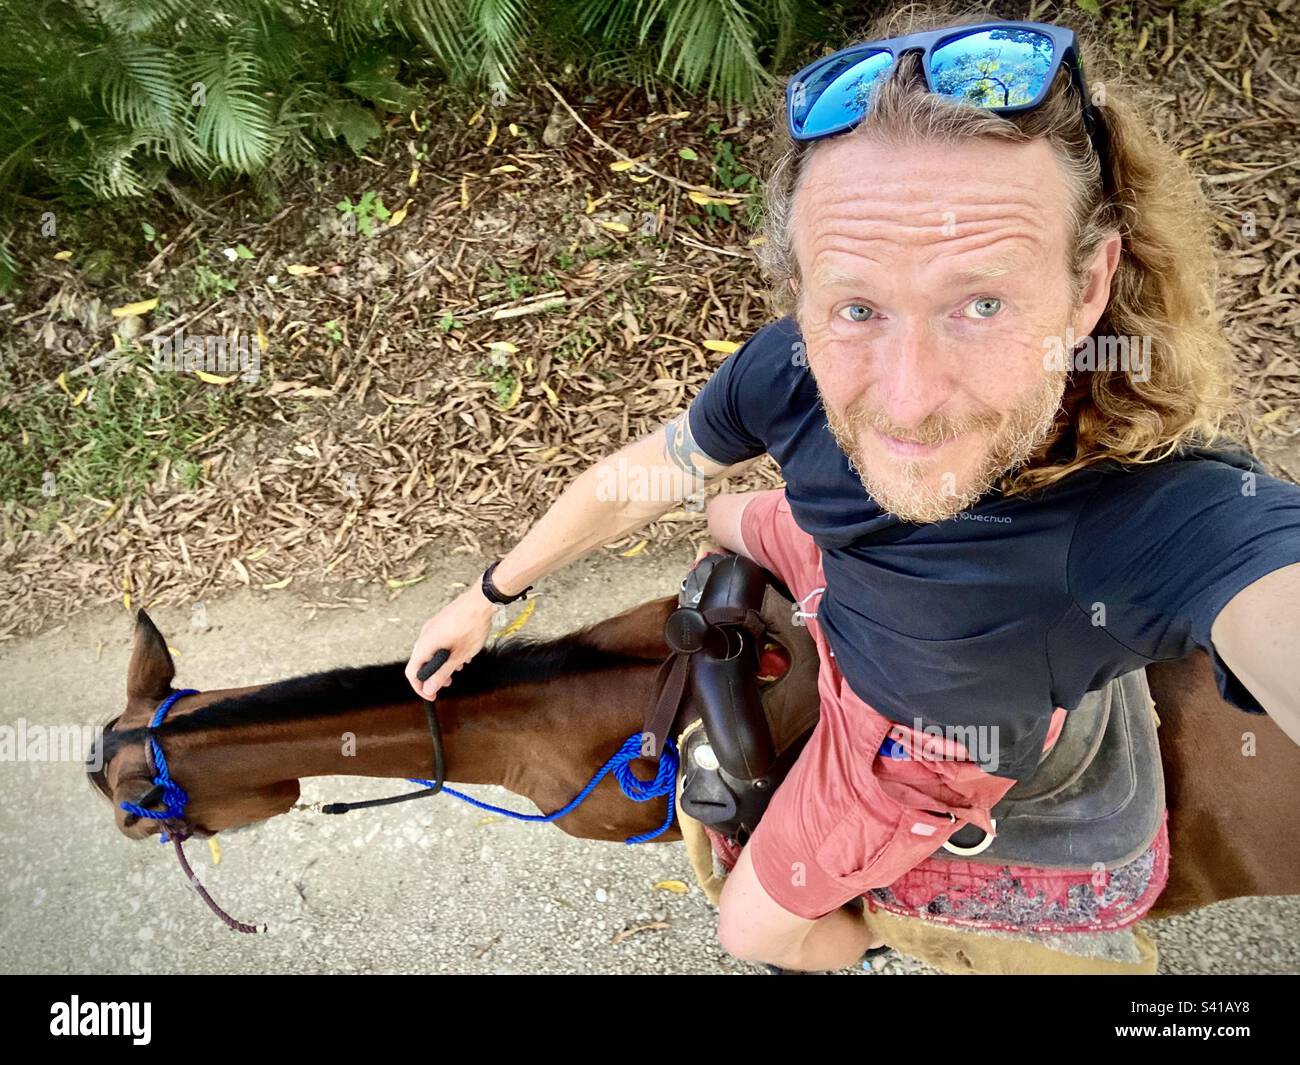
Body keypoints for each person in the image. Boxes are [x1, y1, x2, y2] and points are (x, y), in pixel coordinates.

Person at [407, 6, 1300, 972]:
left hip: (911, 733)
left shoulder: (1162, 510)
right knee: (715, 510)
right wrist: (490, 593)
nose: (909, 402)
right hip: (836, 560)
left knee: (750, 928)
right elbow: (648, 472)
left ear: (1089, 289)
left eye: (983, 302)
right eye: (859, 305)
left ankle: (874, 937)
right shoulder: (790, 366)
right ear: (803, 292)